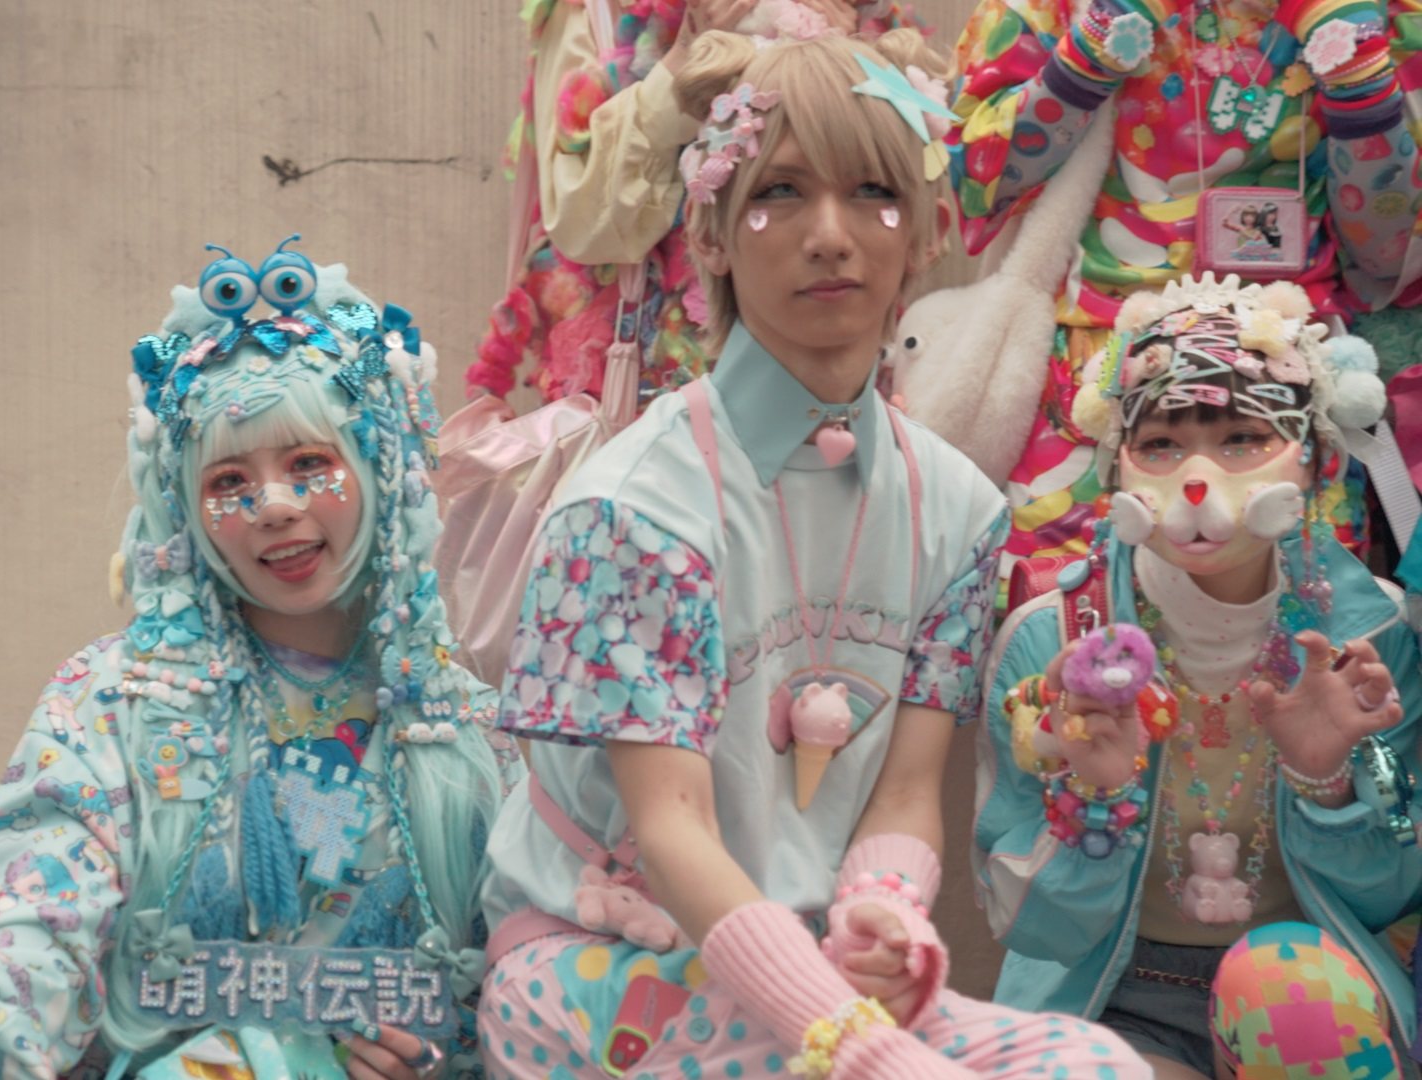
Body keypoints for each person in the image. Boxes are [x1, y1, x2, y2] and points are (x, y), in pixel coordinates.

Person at [477, 28, 1147, 1079]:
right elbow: (672, 830)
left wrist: (885, 921)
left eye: (873, 192)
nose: (830, 235)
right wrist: (852, 1044)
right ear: (711, 233)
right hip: (597, 965)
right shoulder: (633, 508)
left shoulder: (960, 507)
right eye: (779, 193)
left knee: (1091, 1067)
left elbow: (902, 791)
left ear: (926, 230)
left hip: (805, 981)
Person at [0, 242, 520, 1080]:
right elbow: (40, 910)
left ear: (384, 472)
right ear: (187, 512)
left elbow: (522, 976)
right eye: (230, 480)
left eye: (310, 464)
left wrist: (438, 1060)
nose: (273, 506)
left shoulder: (472, 732)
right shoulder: (114, 701)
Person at [974, 272, 1415, 1077]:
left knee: (1289, 992)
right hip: (1108, 993)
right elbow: (1023, 923)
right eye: (1162, 444)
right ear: (1118, 465)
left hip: (1311, 985)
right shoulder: (1055, 641)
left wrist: (1326, 786)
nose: (1198, 480)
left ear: (1316, 459)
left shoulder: (1371, 634)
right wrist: (1094, 805)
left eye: (1243, 438)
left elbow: (1394, 895)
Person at [949, 0, 1422, 573]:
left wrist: (1359, 77)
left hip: (1289, 386)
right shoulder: (1051, 8)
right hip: (1099, 389)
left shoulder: (1386, 16)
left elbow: (1391, 252)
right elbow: (974, 179)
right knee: (1075, 627)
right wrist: (1096, 43)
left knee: (1295, 644)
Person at [469, 0, 920, 410]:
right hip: (654, 406)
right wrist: (683, 66)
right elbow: (583, 224)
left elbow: (906, 208)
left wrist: (837, 60)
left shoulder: (863, 10)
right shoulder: (594, 12)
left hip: (831, 389)